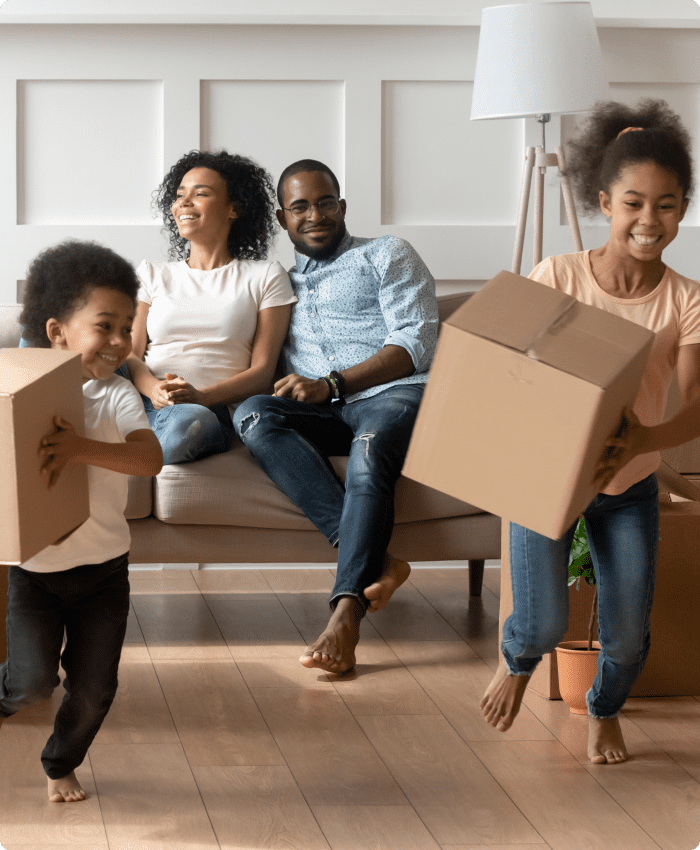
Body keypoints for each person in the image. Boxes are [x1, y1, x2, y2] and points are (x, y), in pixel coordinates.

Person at [480, 100, 700, 764]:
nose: (649, 220)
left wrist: (644, 442)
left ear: (684, 208)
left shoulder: (686, 300)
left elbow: (695, 405)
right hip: (547, 476)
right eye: (634, 202)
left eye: (666, 205)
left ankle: (602, 710)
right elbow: (508, 371)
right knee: (543, 623)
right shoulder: (560, 276)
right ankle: (517, 659)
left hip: (627, 483)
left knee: (630, 639)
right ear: (605, 201)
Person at [233, 159, 438, 674]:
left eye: (325, 202)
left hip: (393, 396)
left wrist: (334, 383)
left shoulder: (385, 253)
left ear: (342, 206)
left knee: (371, 451)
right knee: (255, 415)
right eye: (299, 206)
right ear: (283, 219)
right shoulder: (277, 285)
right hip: (323, 411)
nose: (315, 215)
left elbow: (415, 344)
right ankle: (378, 560)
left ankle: (345, 614)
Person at [1, 241, 163, 802]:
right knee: (30, 683)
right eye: (106, 327)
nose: (121, 342)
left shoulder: (117, 397)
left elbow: (149, 459)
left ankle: (59, 763)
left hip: (102, 573)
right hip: (34, 572)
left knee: (94, 689)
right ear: (57, 331)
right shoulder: (19, 393)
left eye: (127, 328)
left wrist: (78, 449)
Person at [123, 150, 296, 464]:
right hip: (145, 400)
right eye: (179, 196)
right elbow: (131, 354)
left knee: (188, 424)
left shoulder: (265, 276)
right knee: (59, 323)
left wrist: (200, 397)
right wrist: (155, 390)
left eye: (200, 194)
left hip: (207, 411)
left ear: (234, 208)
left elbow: (262, 373)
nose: (184, 203)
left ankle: (122, 445)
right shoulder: (152, 273)